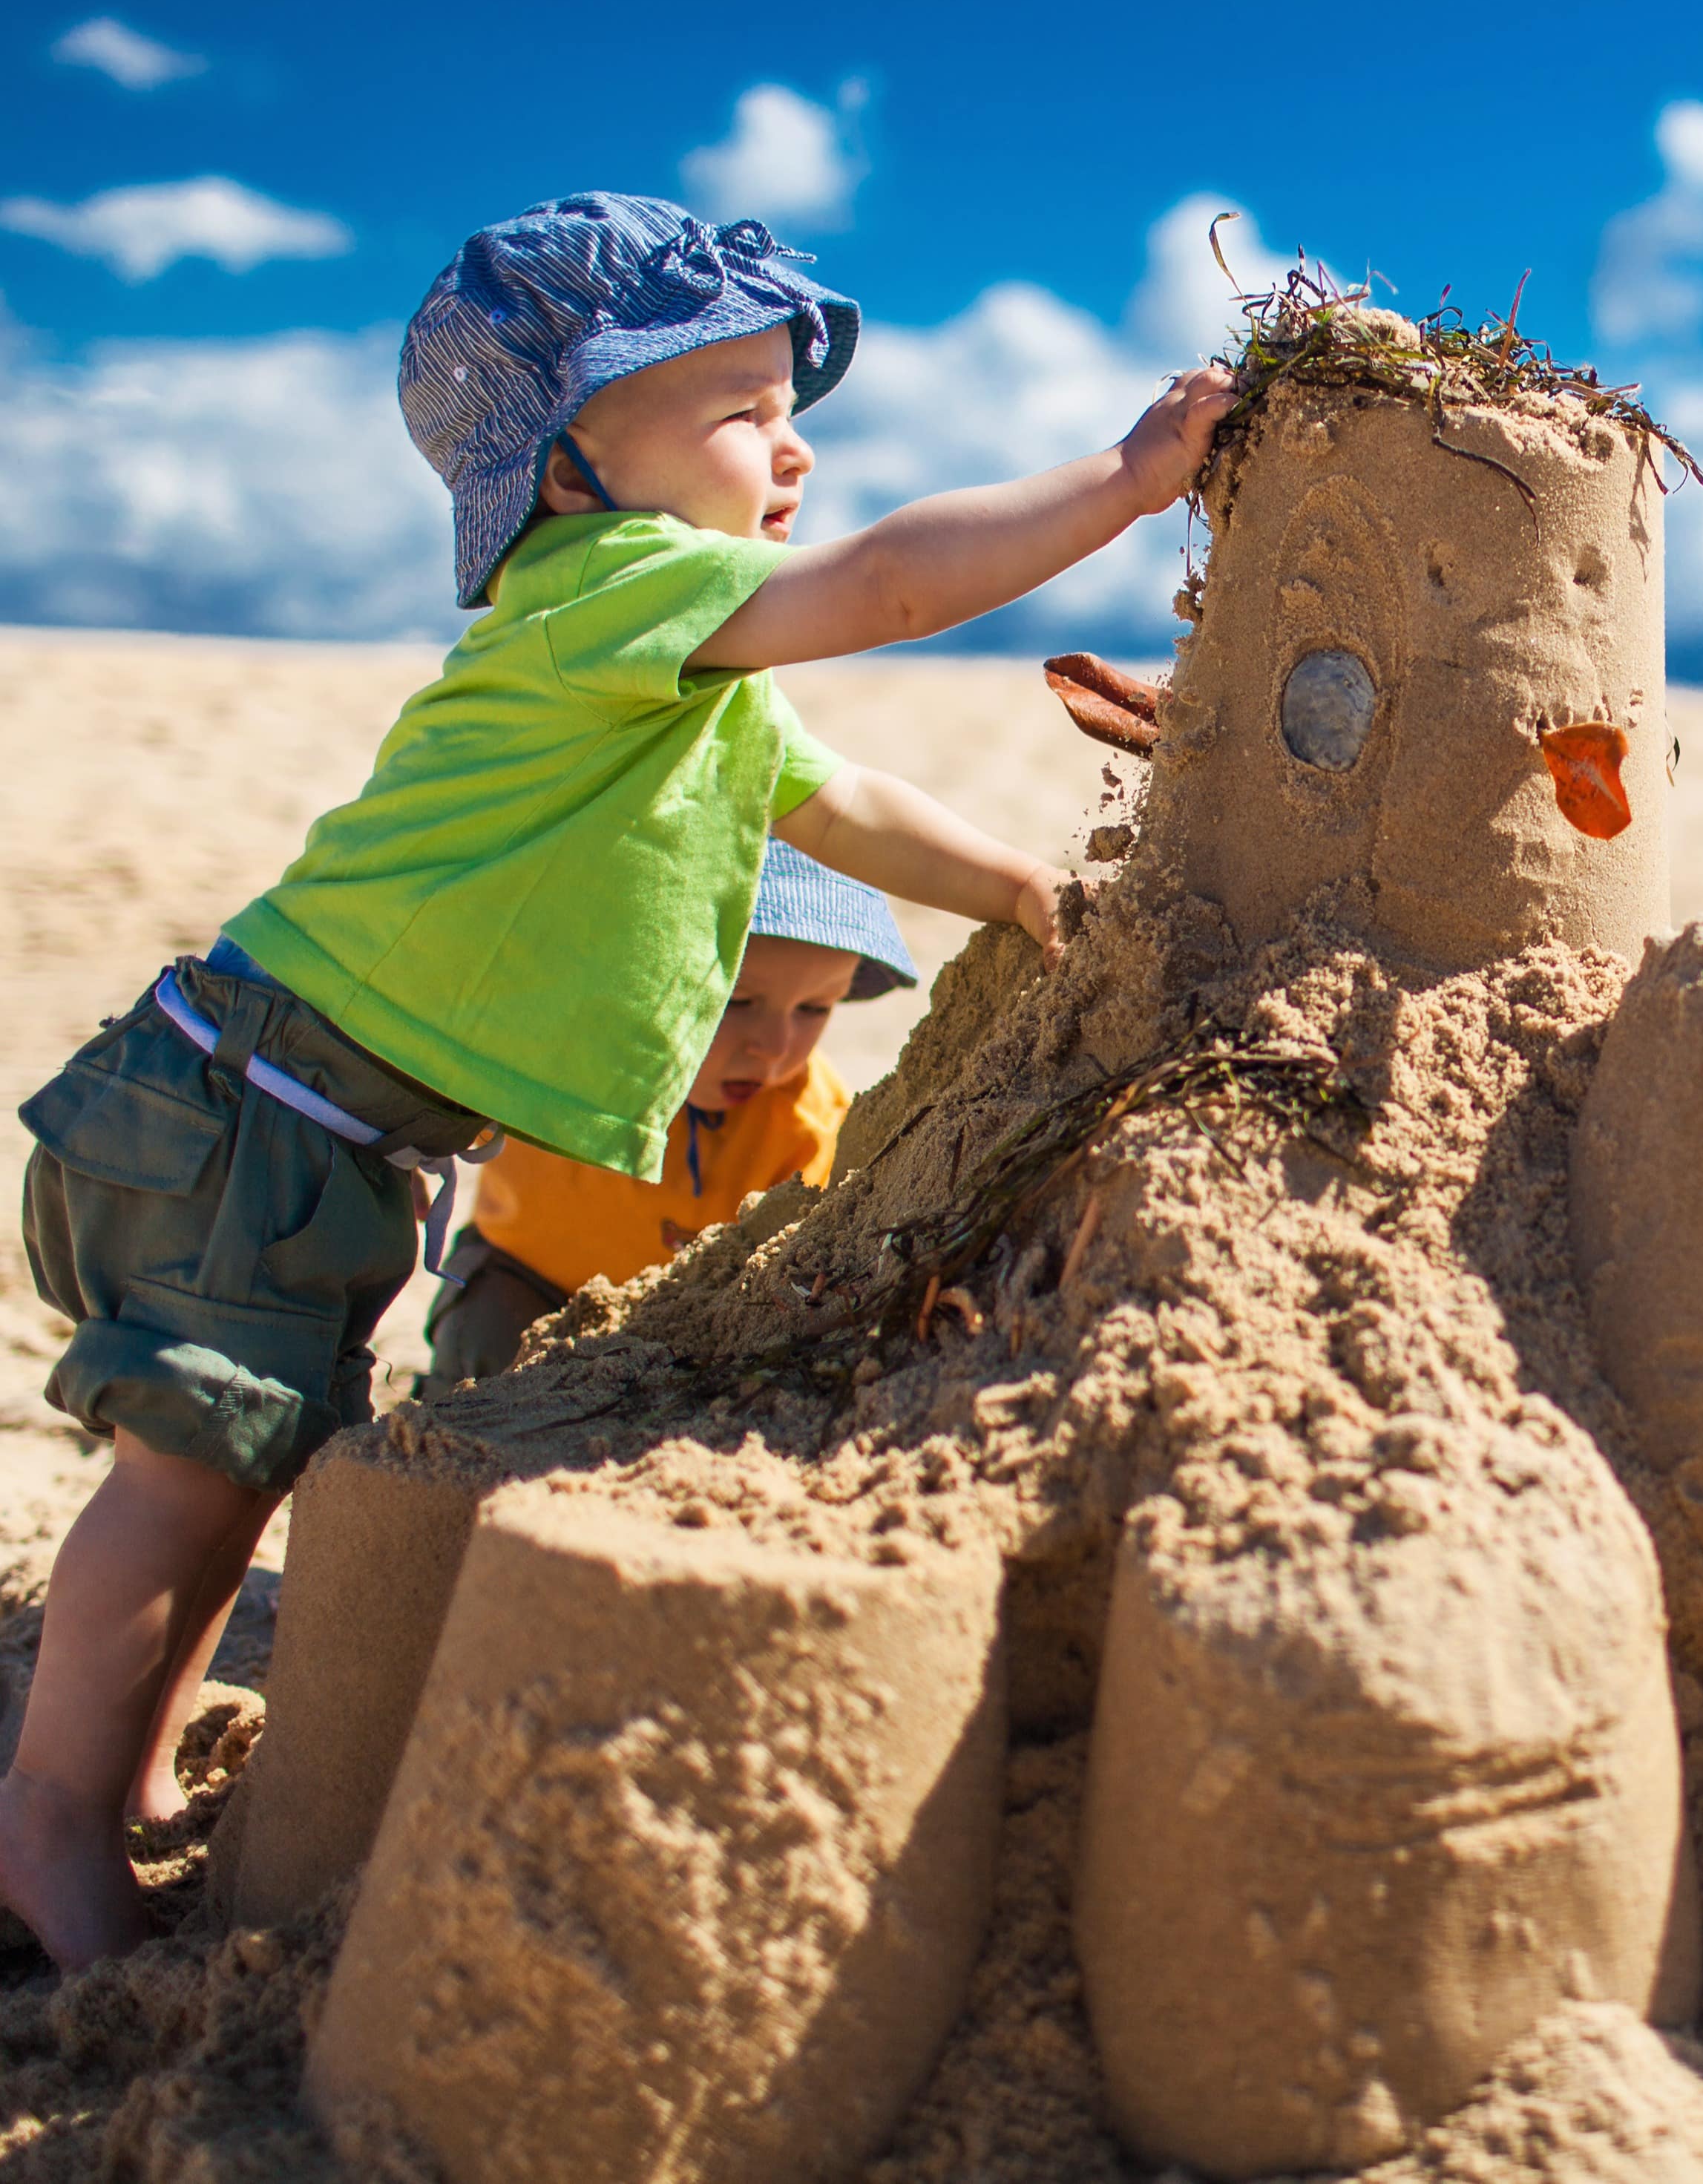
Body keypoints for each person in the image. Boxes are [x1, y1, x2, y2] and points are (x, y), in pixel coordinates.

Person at [2, 191, 1234, 1968]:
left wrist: (1025, 889)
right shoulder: (605, 594)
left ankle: (110, 1785)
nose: (791, 445)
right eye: (738, 410)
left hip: (329, 1133)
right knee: (184, 1473)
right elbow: (888, 587)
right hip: (251, 1110)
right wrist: (1121, 484)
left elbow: (836, 803)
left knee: (246, 1461)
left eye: (788, 407)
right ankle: (42, 1817)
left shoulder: (687, 677)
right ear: (565, 470)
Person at [422, 839, 915, 1388]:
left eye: (813, 1008)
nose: (773, 1046)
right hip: (520, 1270)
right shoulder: (561, 1048)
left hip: (685, 1314)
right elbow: (445, 1074)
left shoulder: (810, 1114)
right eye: (735, 1001)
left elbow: (806, 1255)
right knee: (479, 1354)